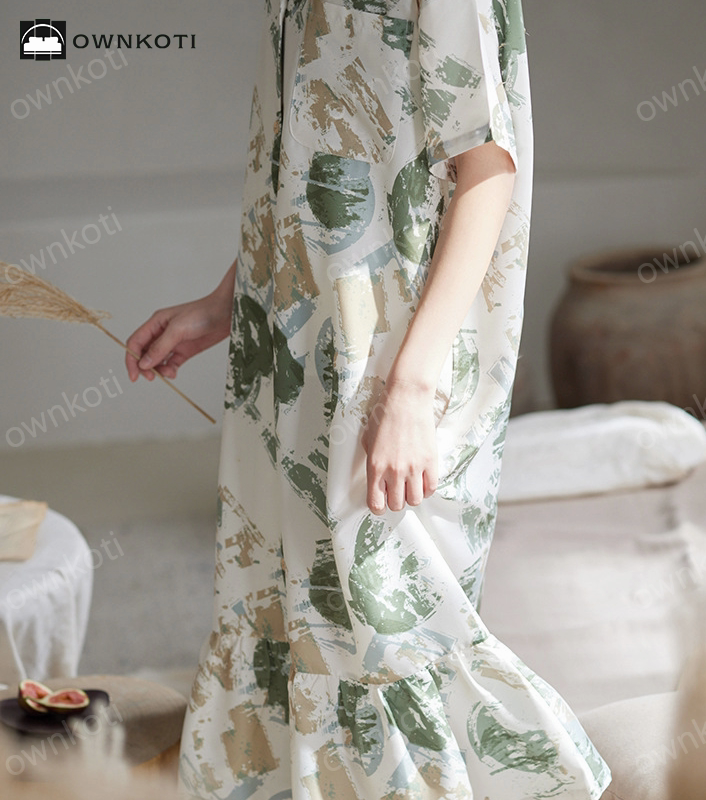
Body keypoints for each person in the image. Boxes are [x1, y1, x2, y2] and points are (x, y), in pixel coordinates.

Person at [126, 0, 612, 797]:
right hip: (292, 343)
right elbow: (310, 161)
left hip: (391, 355)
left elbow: (487, 169)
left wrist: (411, 388)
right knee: (287, 603)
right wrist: (225, 303)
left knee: (384, 623)